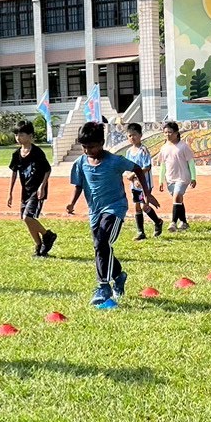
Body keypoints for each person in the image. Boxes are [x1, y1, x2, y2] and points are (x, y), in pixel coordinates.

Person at [66, 121, 158, 306]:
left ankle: (103, 286)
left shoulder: (114, 161)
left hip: (115, 208)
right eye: (84, 146)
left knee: (102, 242)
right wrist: (72, 202)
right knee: (101, 246)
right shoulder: (80, 163)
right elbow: (78, 185)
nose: (87, 150)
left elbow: (137, 169)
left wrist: (147, 193)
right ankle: (118, 275)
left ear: (101, 143)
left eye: (91, 147)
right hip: (95, 211)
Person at [6, 120, 55, 257]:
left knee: (28, 217)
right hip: (25, 192)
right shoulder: (16, 154)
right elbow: (14, 173)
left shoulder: (37, 152)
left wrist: (42, 187)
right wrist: (10, 193)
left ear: (30, 135)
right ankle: (39, 246)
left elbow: (47, 170)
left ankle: (47, 235)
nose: (18, 137)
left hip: (36, 191)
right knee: (25, 219)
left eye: (21, 134)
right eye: (16, 134)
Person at [122, 122, 165, 240]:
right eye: (130, 136)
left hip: (144, 183)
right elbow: (127, 167)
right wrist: (128, 175)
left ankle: (158, 221)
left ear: (140, 135)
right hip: (134, 185)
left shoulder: (143, 150)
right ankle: (141, 232)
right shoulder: (129, 152)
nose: (132, 138)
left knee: (144, 206)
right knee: (137, 206)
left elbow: (147, 167)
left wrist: (134, 175)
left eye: (134, 135)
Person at [155, 121, 197, 231]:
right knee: (178, 200)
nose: (167, 134)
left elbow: (190, 162)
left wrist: (193, 177)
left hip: (183, 177)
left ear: (176, 133)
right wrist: (160, 180)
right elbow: (163, 165)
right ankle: (184, 222)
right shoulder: (164, 148)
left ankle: (173, 222)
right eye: (165, 132)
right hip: (170, 178)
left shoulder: (183, 147)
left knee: (177, 196)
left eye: (170, 132)